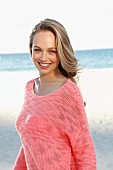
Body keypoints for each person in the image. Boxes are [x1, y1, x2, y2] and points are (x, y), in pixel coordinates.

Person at [13, 18, 96, 170]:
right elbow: (29, 142)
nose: (43, 58)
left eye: (52, 51)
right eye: (38, 50)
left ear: (61, 52)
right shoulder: (29, 88)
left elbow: (85, 152)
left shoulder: (68, 92)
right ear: (30, 49)